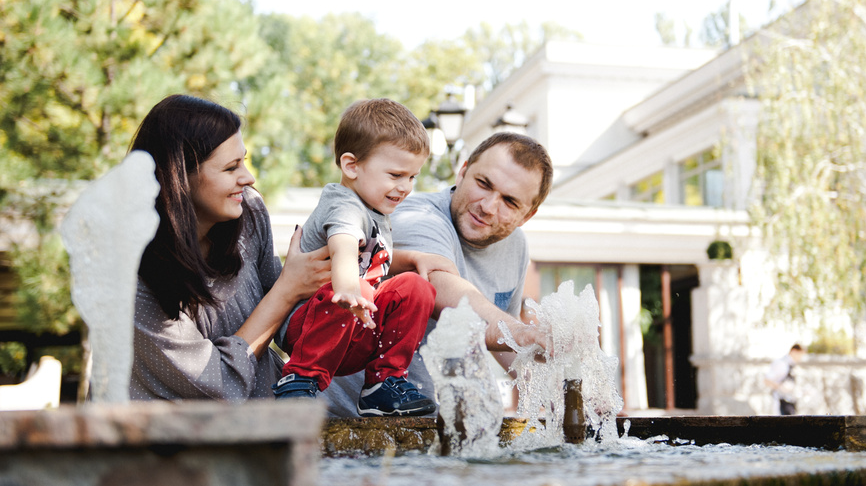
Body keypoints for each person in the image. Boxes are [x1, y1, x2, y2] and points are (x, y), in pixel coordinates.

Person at [322, 131, 554, 416]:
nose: (487, 207)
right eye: (483, 184)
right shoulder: (415, 217)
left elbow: (501, 336)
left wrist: (558, 386)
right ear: (463, 172)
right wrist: (520, 333)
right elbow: (446, 291)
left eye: (509, 201)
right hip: (348, 422)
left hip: (434, 426)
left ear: (527, 215)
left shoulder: (515, 246)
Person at [130, 94, 330, 401]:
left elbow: (286, 324)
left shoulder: (248, 213)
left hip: (263, 420)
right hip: (173, 430)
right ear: (179, 176)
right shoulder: (133, 278)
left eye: (244, 161)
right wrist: (288, 290)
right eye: (231, 168)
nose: (248, 178)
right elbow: (217, 384)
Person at [273, 98, 457, 417]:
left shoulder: (375, 210)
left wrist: (414, 259)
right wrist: (348, 288)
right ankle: (298, 378)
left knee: (416, 287)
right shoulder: (343, 204)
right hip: (307, 328)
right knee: (357, 287)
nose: (405, 187)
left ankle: (383, 383)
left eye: (412, 177)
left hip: (355, 327)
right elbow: (344, 248)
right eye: (396, 175)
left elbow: (373, 260)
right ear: (351, 166)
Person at [765, 343, 806, 415]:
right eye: (800, 355)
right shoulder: (781, 363)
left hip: (790, 402)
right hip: (781, 402)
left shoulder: (792, 365)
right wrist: (781, 387)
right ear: (793, 351)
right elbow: (767, 380)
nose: (800, 358)